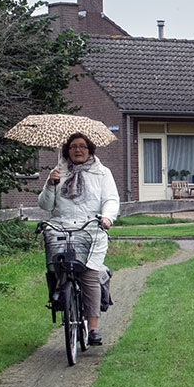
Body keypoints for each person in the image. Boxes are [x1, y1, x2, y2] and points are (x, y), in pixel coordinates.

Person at [38, 132, 120, 346]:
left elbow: (111, 199)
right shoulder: (58, 172)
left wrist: (107, 218)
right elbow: (45, 206)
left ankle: (93, 329)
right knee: (58, 264)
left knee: (90, 275)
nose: (78, 150)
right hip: (61, 225)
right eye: (73, 146)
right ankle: (60, 290)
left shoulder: (102, 173)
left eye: (82, 146)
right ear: (67, 150)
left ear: (90, 149)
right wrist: (50, 183)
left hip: (91, 228)